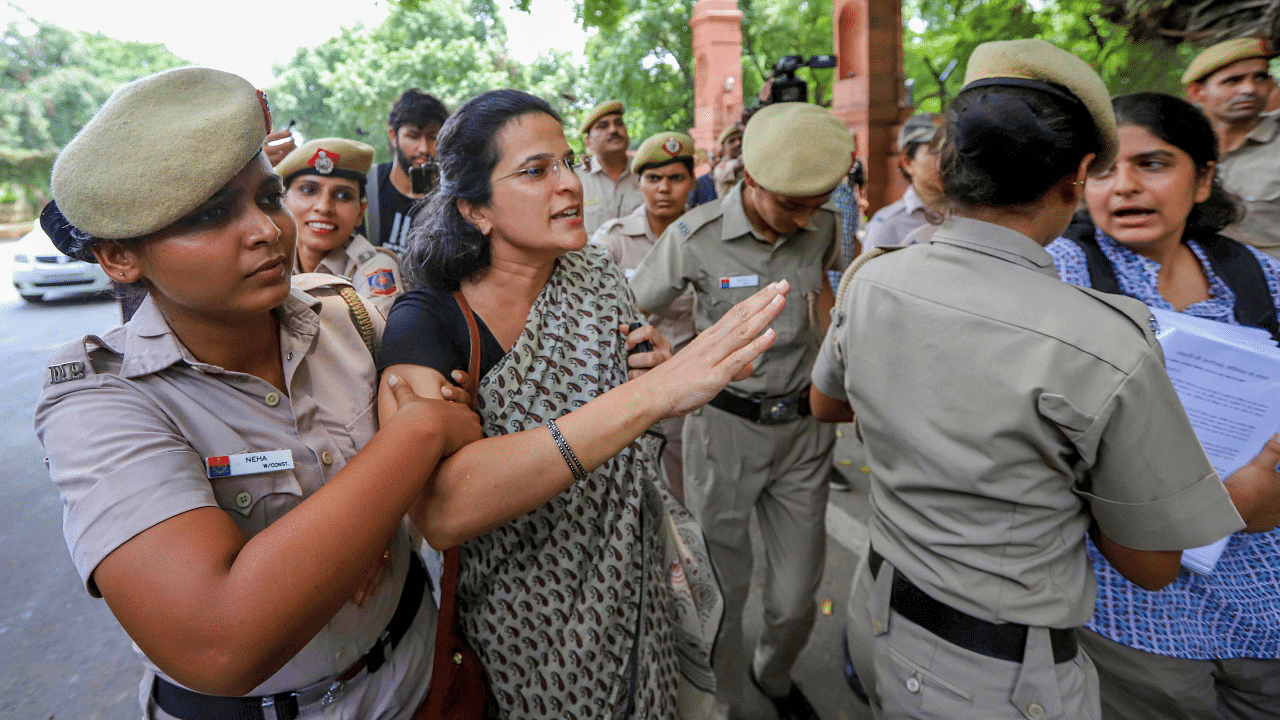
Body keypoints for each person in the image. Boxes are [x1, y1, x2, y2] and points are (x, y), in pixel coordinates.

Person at [810, 39, 1254, 719]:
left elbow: (825, 404)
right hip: (999, 678)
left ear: (949, 165)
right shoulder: (1106, 340)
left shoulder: (875, 281)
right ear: (1078, 178)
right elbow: (1153, 564)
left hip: (885, 616)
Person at [34, 67, 484, 720]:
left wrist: (363, 521)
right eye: (213, 213)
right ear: (120, 259)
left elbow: (457, 431)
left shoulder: (349, 314)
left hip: (418, 677)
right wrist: (417, 437)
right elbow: (217, 640)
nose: (268, 230)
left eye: (268, 198)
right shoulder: (104, 399)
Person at [375, 88, 789, 718]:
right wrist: (651, 396)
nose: (569, 184)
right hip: (521, 626)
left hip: (636, 590)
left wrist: (654, 380)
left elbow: (633, 415)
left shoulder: (594, 275)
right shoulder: (425, 322)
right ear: (474, 209)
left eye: (567, 162)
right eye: (536, 171)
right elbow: (441, 508)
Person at [1046, 92, 1280, 720]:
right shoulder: (1058, 278)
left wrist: (1267, 487)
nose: (1123, 187)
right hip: (1134, 614)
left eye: (1153, 164)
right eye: (1101, 170)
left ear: (1203, 178)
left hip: (1263, 601)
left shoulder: (1257, 276)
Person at [631, 102, 853, 720]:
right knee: (721, 592)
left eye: (816, 201)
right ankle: (722, 701)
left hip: (803, 436)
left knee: (795, 595)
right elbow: (630, 311)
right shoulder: (693, 236)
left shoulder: (827, 226)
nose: (804, 216)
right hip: (723, 434)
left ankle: (774, 674)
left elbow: (828, 291)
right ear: (751, 181)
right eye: (790, 203)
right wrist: (661, 366)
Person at [592, 131, 699, 500]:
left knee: (684, 500)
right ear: (640, 184)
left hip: (688, 399)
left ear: (692, 181)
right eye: (654, 179)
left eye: (675, 178)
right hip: (625, 393)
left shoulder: (704, 241)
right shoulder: (614, 241)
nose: (664, 189)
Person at [275, 137, 404, 315]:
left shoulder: (375, 267)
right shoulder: (270, 259)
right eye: (308, 190)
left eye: (343, 195)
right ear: (283, 202)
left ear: (360, 213)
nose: (324, 207)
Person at [1183, 37, 1280, 257]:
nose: (1249, 89)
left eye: (1261, 77)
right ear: (1197, 92)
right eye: (1233, 81)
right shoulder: (1175, 145)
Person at [365, 89, 449, 254]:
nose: (423, 148)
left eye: (433, 137)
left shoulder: (451, 192)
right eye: (413, 136)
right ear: (394, 136)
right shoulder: (368, 185)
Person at [862, 113, 945, 250]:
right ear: (907, 162)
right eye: (935, 150)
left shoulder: (971, 216)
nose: (947, 159)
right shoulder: (888, 224)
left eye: (951, 150)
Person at [576, 100, 644, 235]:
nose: (613, 130)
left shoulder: (646, 173)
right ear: (588, 142)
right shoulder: (576, 179)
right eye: (603, 126)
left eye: (619, 123)